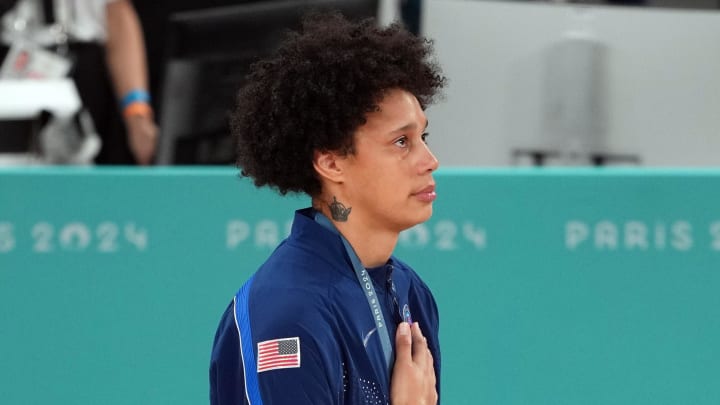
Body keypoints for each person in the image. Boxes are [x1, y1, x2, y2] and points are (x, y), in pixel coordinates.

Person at [209, 12, 446, 405]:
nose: (430, 160)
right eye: (401, 142)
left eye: (423, 136)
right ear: (331, 163)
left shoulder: (411, 292)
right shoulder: (287, 316)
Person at [0, 0, 158, 164]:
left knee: (88, 163)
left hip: (81, 66)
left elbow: (117, 16)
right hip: (16, 66)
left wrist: (137, 112)